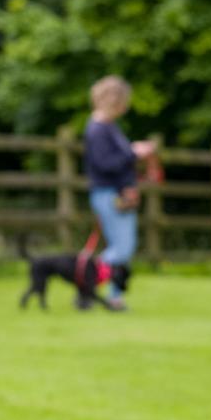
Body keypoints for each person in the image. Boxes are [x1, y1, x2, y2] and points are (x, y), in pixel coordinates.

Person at [83, 76, 155, 309]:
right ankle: (88, 286)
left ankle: (113, 296)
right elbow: (105, 164)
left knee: (122, 247)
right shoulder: (98, 130)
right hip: (108, 194)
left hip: (119, 194)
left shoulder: (109, 127)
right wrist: (134, 152)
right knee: (122, 248)